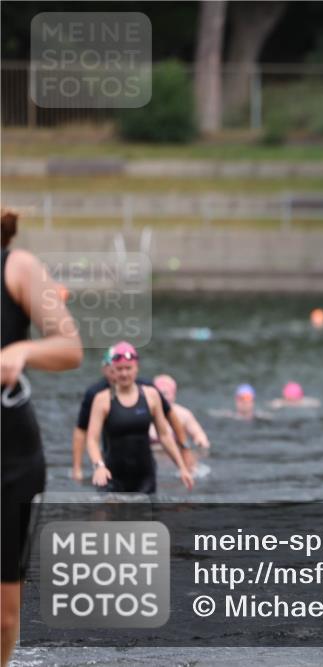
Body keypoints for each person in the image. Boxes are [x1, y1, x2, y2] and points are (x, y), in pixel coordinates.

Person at [1, 208, 83, 666]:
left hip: (9, 455)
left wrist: (22, 348)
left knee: (4, 618)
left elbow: (69, 347)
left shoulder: (18, 267)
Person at [86, 342, 194, 494]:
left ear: (136, 368)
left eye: (128, 368)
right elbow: (92, 439)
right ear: (112, 370)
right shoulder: (102, 400)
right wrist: (99, 466)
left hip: (145, 476)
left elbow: (164, 435)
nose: (124, 374)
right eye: (119, 369)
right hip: (111, 475)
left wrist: (182, 468)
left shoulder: (151, 396)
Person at [150, 374, 210, 472]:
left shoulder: (183, 415)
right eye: (160, 394)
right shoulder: (144, 413)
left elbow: (199, 434)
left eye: (166, 393)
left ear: (174, 394)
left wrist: (200, 442)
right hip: (153, 459)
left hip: (176, 459)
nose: (163, 398)